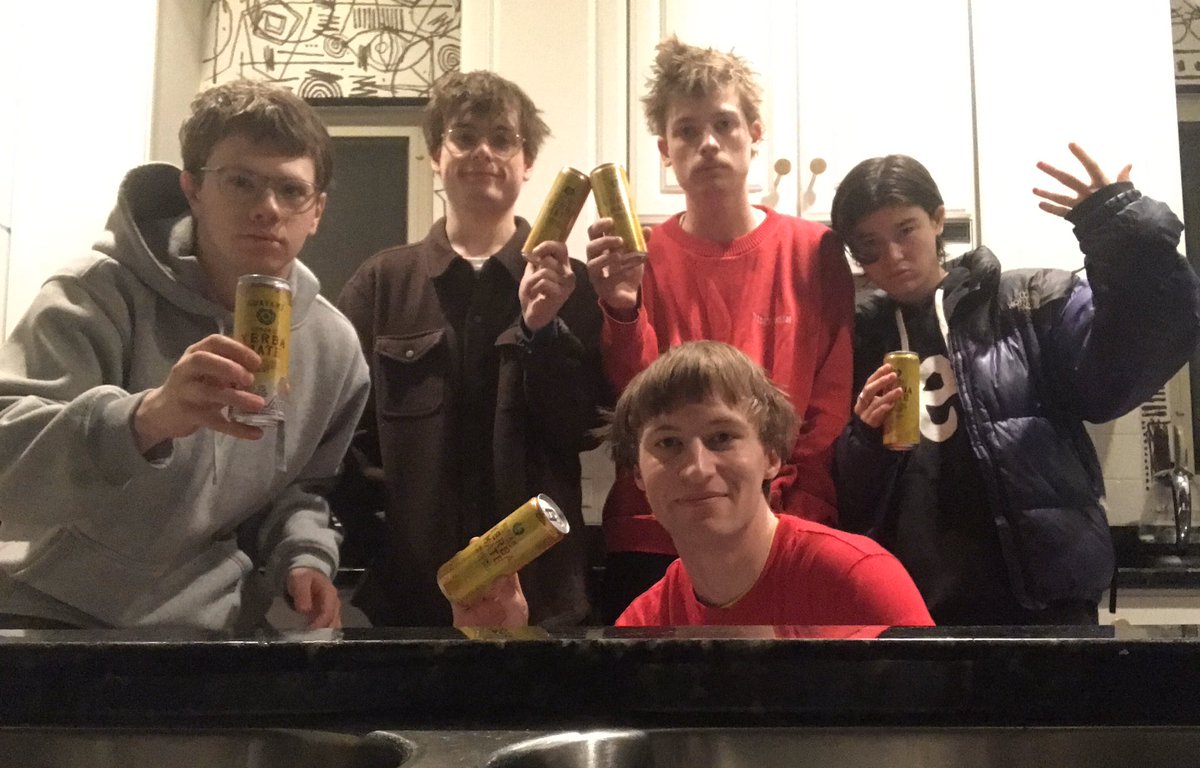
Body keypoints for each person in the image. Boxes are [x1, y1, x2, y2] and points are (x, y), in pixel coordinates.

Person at [0, 80, 369, 630]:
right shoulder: (94, 293)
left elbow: (303, 489)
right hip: (50, 613)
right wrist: (144, 419)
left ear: (316, 211)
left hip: (208, 630)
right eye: (241, 182)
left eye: (292, 191)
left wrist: (305, 555)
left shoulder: (334, 346)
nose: (268, 209)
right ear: (193, 189)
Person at [831, 146, 1200, 625]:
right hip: (907, 610)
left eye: (906, 230)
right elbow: (848, 498)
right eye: (870, 246)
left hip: (1042, 607)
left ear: (937, 220)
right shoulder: (853, 340)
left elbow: (1125, 368)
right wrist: (864, 439)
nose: (894, 256)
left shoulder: (1027, 302)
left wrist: (1124, 231)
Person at [585, 36, 854, 622]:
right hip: (655, 533)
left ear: (754, 133)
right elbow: (638, 402)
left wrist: (772, 498)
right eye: (687, 131)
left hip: (787, 526)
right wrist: (621, 307)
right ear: (665, 150)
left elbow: (829, 403)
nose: (707, 143)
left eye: (724, 124)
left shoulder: (814, 252)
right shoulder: (638, 256)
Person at [333, 70, 605, 627]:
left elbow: (581, 429)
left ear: (528, 163)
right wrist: (386, 547)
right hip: (413, 605)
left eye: (502, 139)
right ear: (437, 155)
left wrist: (541, 332)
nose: (483, 151)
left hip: (545, 598)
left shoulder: (571, 284)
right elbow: (342, 445)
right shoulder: (381, 285)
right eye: (464, 136)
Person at [607, 342, 931, 627]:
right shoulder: (642, 625)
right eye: (668, 443)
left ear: (772, 456)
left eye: (722, 437)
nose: (697, 469)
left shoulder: (859, 581)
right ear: (637, 474)